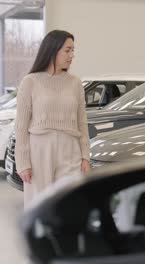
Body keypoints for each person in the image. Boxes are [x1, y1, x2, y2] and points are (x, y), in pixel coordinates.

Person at [15, 30, 91, 206]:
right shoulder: (30, 82)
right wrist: (23, 162)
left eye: (73, 50)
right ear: (52, 49)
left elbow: (82, 121)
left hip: (70, 149)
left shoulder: (75, 83)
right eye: (67, 50)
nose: (72, 55)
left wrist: (85, 156)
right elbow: (21, 126)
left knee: (70, 202)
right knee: (39, 205)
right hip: (39, 149)